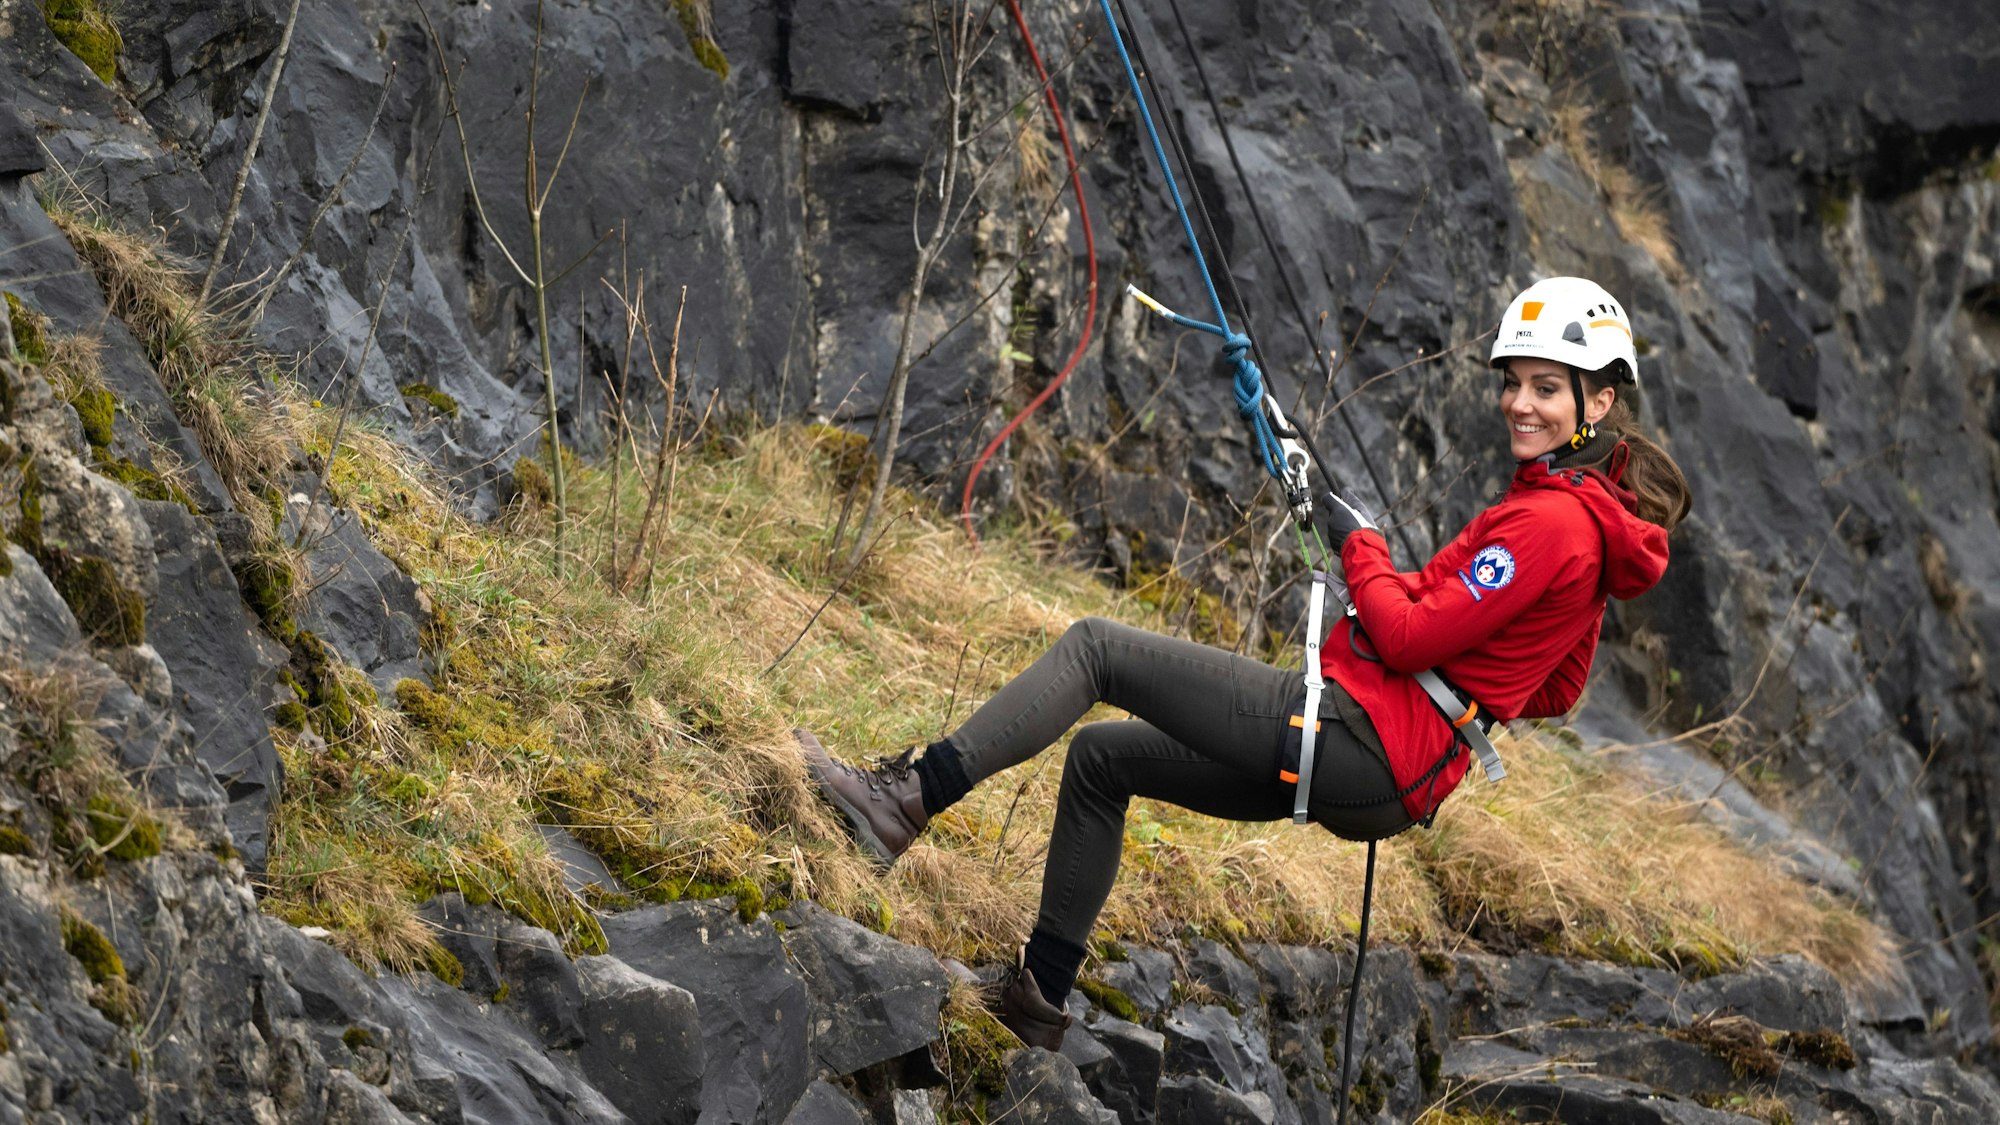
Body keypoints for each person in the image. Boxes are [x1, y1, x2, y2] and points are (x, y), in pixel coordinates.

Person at [796, 276, 1690, 1049]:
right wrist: (1451, 690)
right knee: (1101, 761)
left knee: (1096, 647)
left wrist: (1363, 550)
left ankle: (900, 803)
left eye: (1547, 388)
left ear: (1598, 401)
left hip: (1357, 737)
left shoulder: (1552, 522)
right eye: (1514, 383)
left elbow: (1414, 635)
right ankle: (1038, 1003)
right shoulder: (1589, 527)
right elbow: (1557, 688)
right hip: (1389, 768)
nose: (1521, 402)